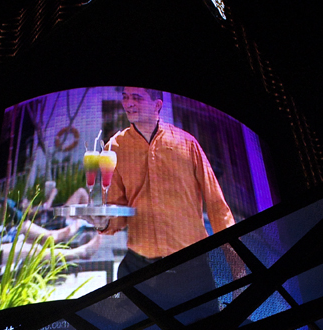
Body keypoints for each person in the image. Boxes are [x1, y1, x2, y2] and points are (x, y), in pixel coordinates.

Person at [92, 87, 236, 278]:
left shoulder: (187, 143)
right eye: (125, 97)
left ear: (157, 105)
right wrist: (103, 223)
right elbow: (117, 210)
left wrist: (237, 266)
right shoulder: (113, 149)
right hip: (139, 268)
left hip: (192, 266)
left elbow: (218, 207)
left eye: (136, 98)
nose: (129, 103)